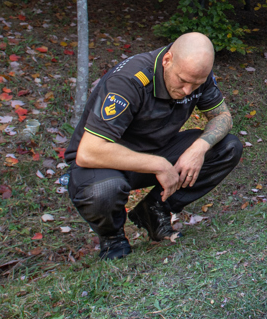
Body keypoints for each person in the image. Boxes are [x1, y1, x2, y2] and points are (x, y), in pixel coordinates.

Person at [65, 32, 243, 260]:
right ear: (167, 60)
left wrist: (198, 149)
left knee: (227, 146)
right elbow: (89, 151)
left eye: (196, 84)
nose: (188, 90)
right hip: (105, 161)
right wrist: (159, 165)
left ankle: (155, 209)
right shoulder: (129, 81)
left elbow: (223, 116)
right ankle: (113, 238)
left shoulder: (197, 74)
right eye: (182, 81)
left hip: (155, 150)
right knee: (103, 191)